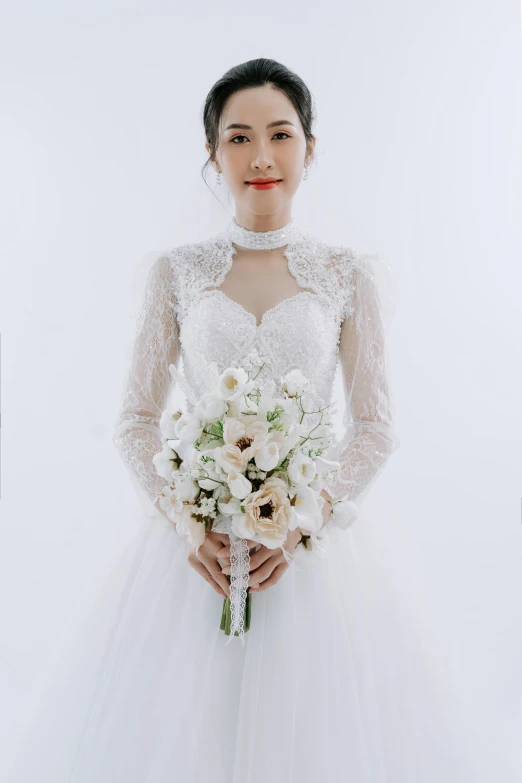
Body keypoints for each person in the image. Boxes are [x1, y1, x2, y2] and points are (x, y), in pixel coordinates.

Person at [3, 58, 469, 783]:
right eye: (237, 137)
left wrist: (302, 520)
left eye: (280, 135)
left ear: (310, 149)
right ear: (212, 153)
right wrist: (189, 520)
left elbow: (375, 427)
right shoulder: (177, 272)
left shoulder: (347, 274)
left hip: (310, 559)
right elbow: (134, 419)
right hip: (196, 561)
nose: (260, 157)